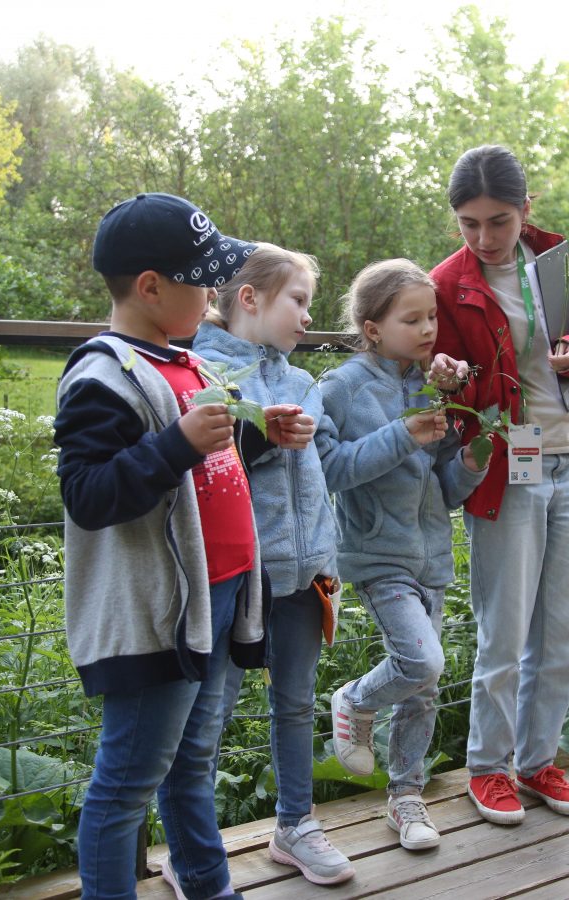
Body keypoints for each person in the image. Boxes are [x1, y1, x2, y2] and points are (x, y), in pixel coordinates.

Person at [55, 193, 302, 899]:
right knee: (128, 780)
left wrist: (258, 431)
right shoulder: (103, 375)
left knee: (193, 759)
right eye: (203, 281)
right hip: (159, 616)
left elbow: (204, 461)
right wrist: (174, 444)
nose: (216, 294)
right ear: (151, 287)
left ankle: (206, 881)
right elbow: (90, 495)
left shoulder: (185, 361)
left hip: (216, 598)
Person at [430, 145, 569, 825]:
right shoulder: (446, 284)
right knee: (503, 626)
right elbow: (442, 385)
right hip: (510, 458)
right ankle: (488, 768)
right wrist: (447, 375)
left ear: (526, 210)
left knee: (565, 625)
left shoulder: (552, 265)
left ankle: (539, 762)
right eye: (469, 223)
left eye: (498, 221)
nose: (483, 238)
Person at [190, 244, 354, 886]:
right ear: (250, 300)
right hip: (237, 580)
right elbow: (198, 465)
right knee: (210, 714)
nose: (308, 317)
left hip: (304, 571)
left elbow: (315, 479)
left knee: (295, 702)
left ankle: (295, 824)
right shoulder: (202, 370)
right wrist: (257, 435)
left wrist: (326, 558)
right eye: (299, 300)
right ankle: (193, 847)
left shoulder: (299, 379)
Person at [317, 259, 487, 849]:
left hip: (432, 556)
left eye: (432, 316)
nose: (427, 329)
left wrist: (469, 462)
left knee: (423, 687)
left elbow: (441, 483)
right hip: (378, 556)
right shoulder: (341, 387)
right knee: (423, 663)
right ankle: (355, 699)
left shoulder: (427, 385)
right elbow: (327, 469)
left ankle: (407, 797)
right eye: (411, 318)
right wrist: (401, 435)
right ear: (371, 328)